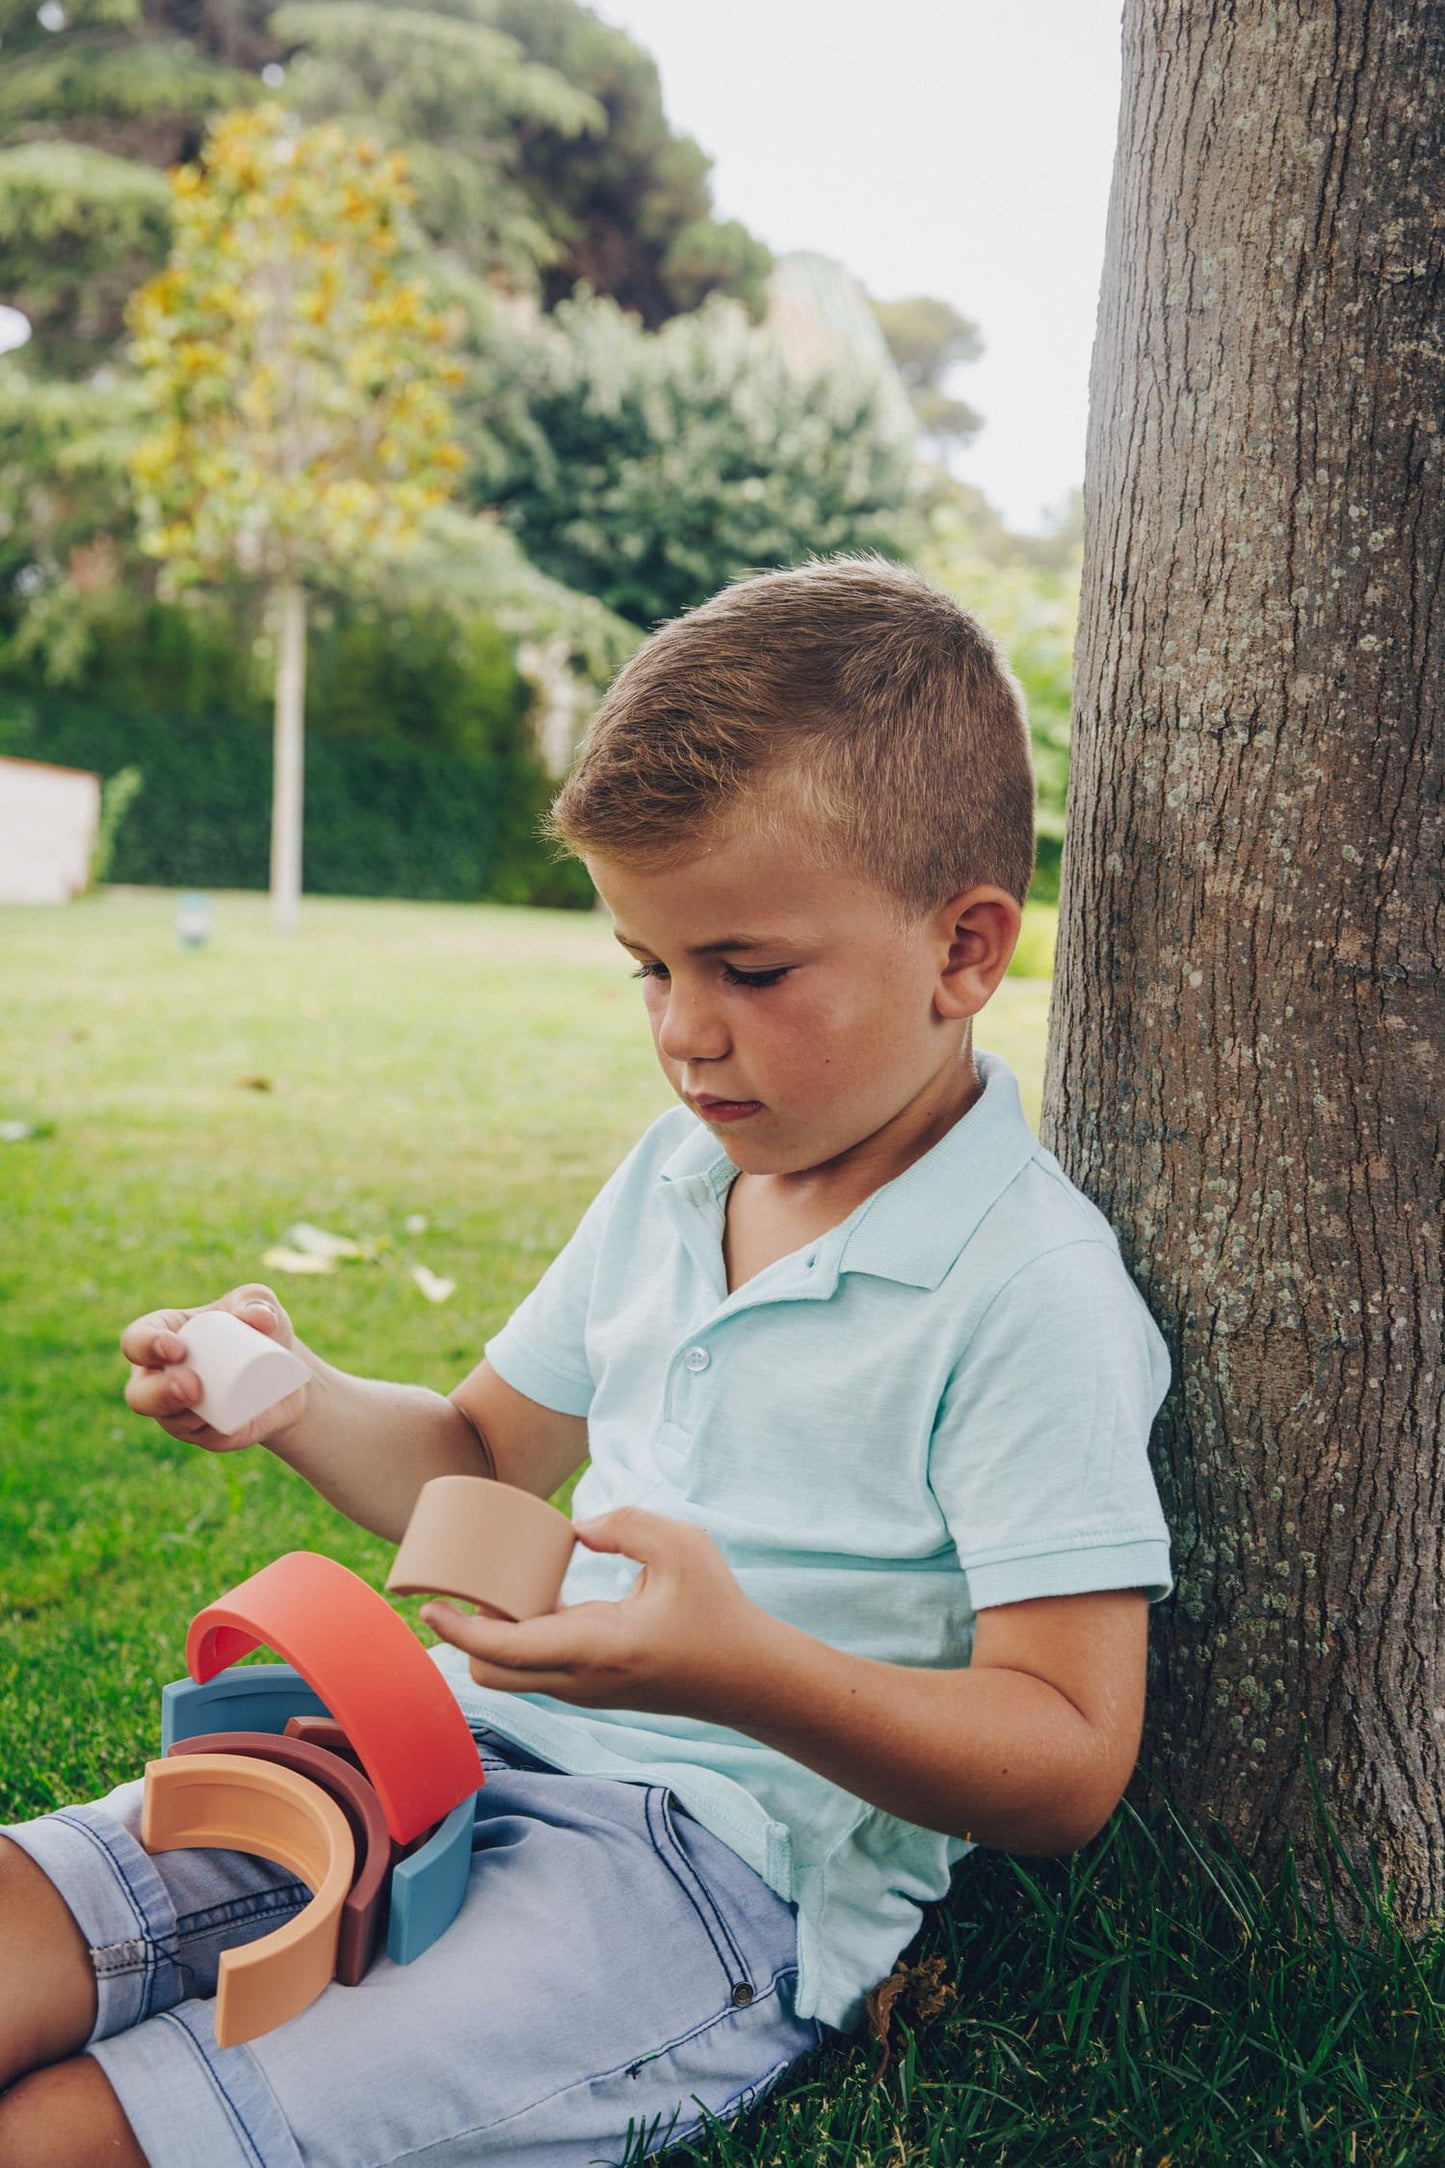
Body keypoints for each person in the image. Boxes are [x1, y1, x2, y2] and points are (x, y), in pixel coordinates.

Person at [0, 557, 1173, 2167]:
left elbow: (1066, 1760)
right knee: (20, 1925)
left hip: (696, 1870)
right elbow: (480, 1467)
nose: (684, 1031)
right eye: (648, 965)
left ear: (965, 951)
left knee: (86, 2132)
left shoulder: (1027, 1287)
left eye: (746, 970)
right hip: (430, 1740)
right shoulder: (676, 1178)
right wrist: (298, 1399)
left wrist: (732, 1667)